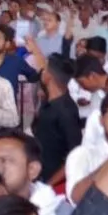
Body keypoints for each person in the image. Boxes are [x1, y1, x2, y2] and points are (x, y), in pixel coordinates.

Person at [32, 55, 83, 187]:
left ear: (48, 76)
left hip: (52, 182)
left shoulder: (66, 111)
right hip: (39, 175)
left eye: (44, 70)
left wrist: (49, 185)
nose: (41, 73)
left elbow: (75, 155)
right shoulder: (47, 102)